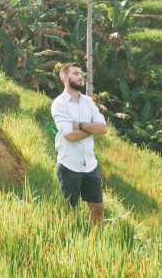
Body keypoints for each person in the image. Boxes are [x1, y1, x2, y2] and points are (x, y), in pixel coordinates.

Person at [51, 62, 108, 224]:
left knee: (98, 209)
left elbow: (103, 128)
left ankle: (94, 239)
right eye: (75, 73)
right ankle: (69, 238)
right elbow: (69, 135)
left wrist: (80, 125)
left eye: (81, 74)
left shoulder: (88, 102)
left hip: (90, 164)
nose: (80, 77)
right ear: (65, 77)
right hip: (69, 165)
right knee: (69, 212)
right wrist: (92, 129)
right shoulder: (59, 103)